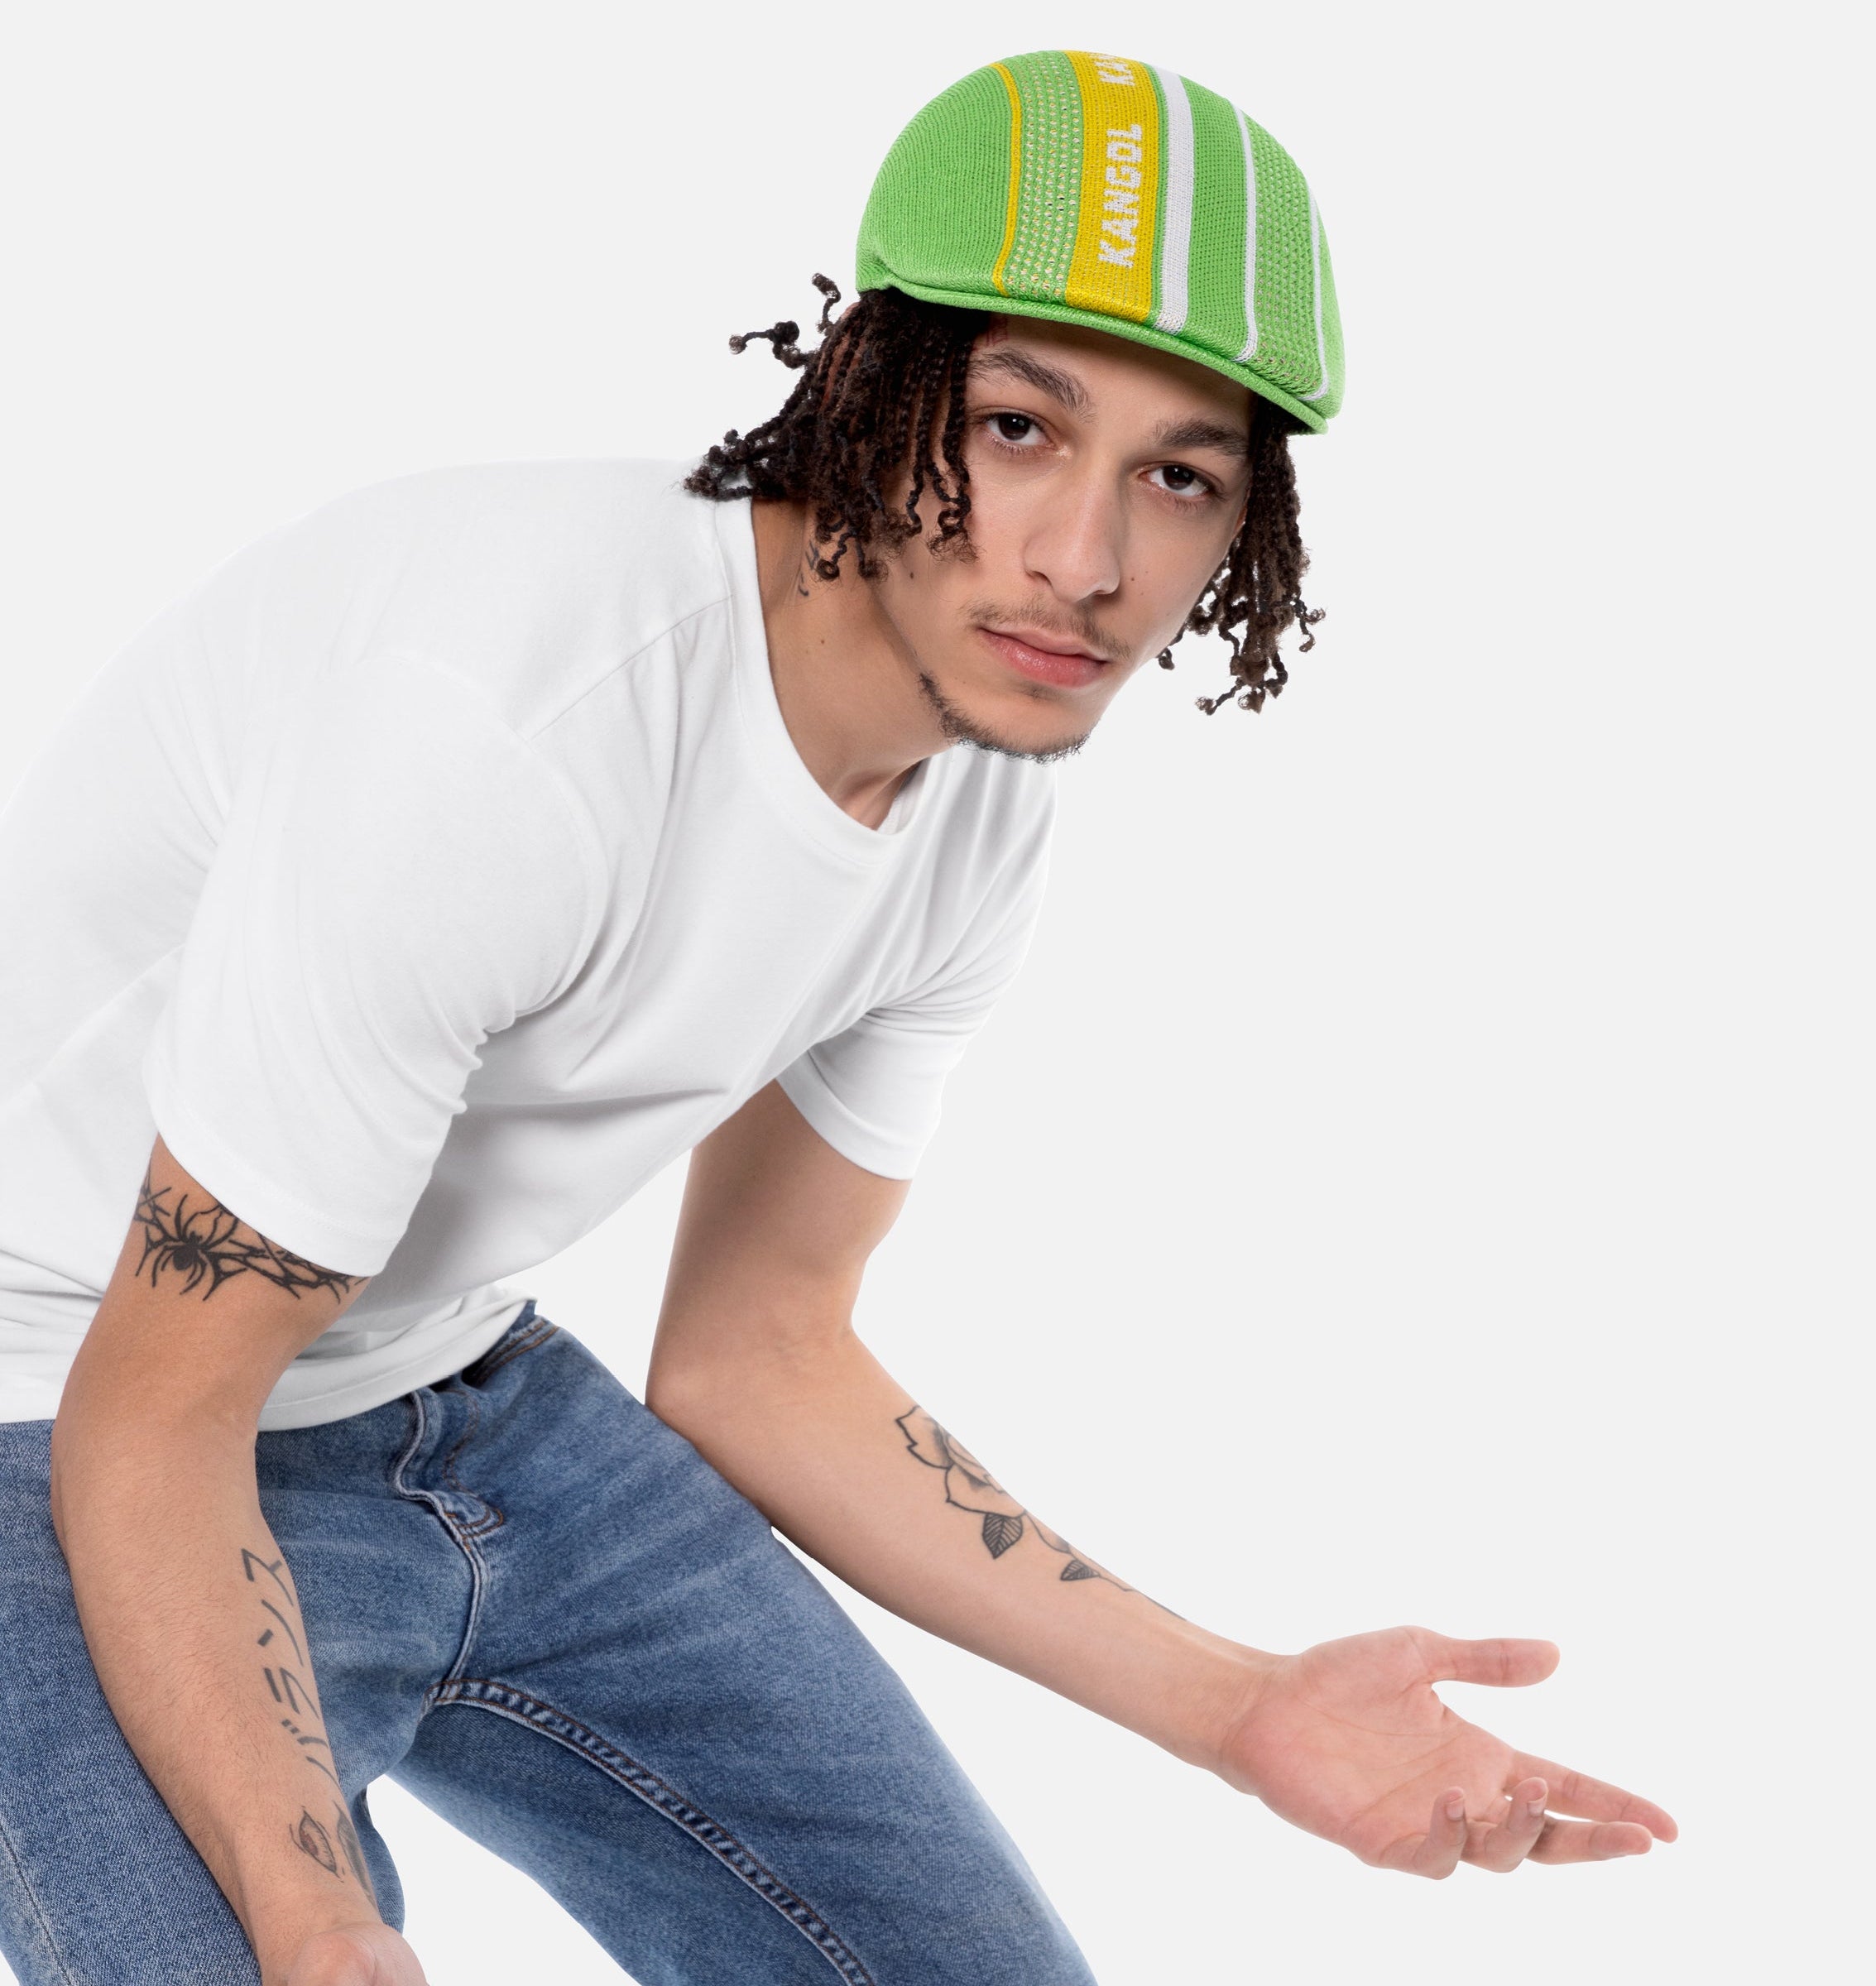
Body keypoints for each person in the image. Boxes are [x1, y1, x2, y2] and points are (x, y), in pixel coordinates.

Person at [0, 47, 1677, 1986]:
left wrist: (1240, 1706)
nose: (1085, 563)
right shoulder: (508, 726)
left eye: (1178, 476)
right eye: (1020, 428)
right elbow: (156, 1409)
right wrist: (310, 1918)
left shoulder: (978, 793)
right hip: (65, 1407)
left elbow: (761, 1349)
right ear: (868, 387)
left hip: (464, 1391)